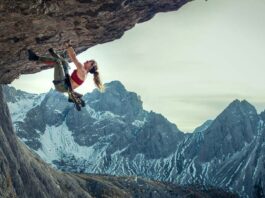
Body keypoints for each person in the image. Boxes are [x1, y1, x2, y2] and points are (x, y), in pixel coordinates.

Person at [27, 43, 104, 95]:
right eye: (88, 60)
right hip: (66, 80)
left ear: (90, 67)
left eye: (89, 62)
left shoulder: (82, 70)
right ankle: (53, 52)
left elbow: (73, 57)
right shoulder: (84, 73)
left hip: (62, 85)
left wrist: (68, 46)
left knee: (57, 62)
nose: (87, 61)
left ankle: (34, 57)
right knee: (65, 63)